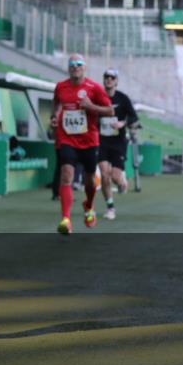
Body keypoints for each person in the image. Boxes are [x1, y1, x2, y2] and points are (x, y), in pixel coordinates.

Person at [51, 54, 114, 234]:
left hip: (89, 140)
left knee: (89, 182)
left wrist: (91, 107)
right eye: (72, 64)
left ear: (84, 67)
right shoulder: (61, 87)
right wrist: (55, 116)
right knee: (66, 174)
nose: (75, 67)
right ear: (68, 67)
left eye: (78, 64)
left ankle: (89, 205)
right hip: (67, 138)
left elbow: (109, 110)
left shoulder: (94, 88)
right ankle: (66, 219)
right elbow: (56, 103)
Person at [97, 69, 139, 220]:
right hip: (101, 141)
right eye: (106, 77)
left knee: (114, 176)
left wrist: (123, 123)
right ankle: (110, 207)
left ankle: (122, 183)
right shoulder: (97, 96)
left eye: (112, 77)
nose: (109, 79)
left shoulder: (123, 98)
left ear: (116, 81)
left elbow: (134, 116)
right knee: (104, 173)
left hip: (118, 142)